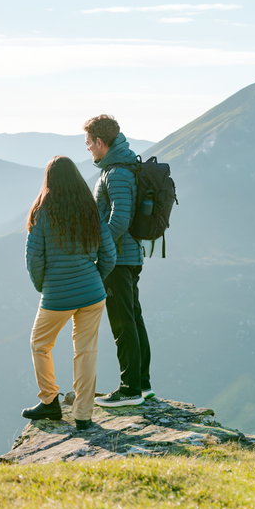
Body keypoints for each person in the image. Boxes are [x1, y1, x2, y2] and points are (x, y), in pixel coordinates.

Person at [22, 155, 117, 431]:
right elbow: (108, 254)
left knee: (40, 344)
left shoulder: (41, 211)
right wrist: (94, 280)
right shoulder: (90, 210)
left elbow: (34, 260)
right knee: (86, 352)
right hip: (92, 295)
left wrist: (45, 287)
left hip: (58, 296)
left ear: (49, 180)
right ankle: (84, 415)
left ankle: (50, 401)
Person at [84, 114, 153, 408]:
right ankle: (142, 384)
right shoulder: (121, 167)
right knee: (133, 319)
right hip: (127, 255)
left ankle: (130, 388)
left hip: (118, 259)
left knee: (123, 322)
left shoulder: (117, 173)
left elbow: (120, 219)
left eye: (88, 143)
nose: (87, 149)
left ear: (100, 142)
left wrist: (101, 249)